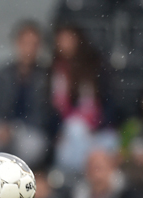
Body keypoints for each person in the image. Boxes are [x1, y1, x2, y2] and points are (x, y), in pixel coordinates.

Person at [0, 20, 51, 167]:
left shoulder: (46, 76)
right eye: (25, 43)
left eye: (33, 44)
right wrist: (0, 127)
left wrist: (15, 129)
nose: (29, 49)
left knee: (33, 148)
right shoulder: (2, 74)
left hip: (29, 131)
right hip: (1, 129)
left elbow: (45, 115)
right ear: (17, 43)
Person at [50, 23, 116, 173]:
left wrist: (99, 124)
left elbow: (108, 101)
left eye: (69, 40)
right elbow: (53, 109)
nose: (65, 45)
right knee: (74, 131)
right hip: (67, 130)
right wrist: (58, 130)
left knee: (110, 143)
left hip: (98, 128)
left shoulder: (95, 66)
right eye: (62, 40)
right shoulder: (54, 70)